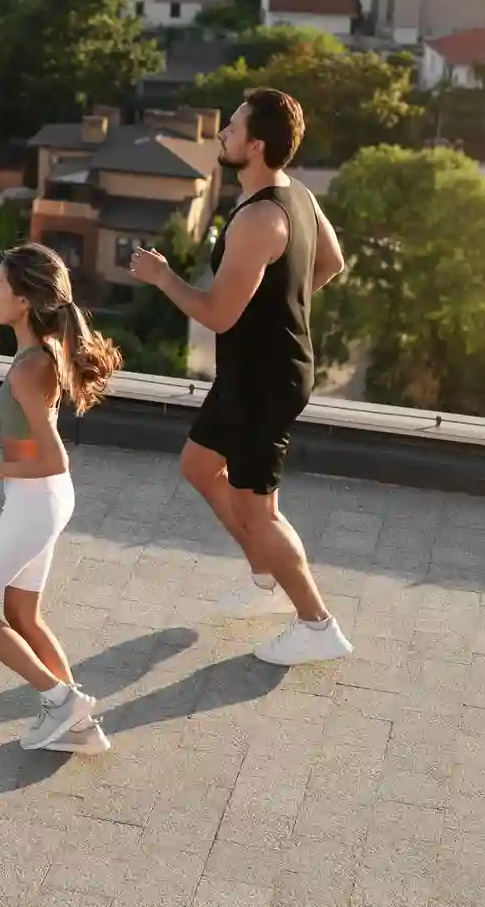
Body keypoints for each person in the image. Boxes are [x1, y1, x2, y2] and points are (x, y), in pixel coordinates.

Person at [129, 88, 353, 667]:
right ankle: (263, 576)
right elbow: (330, 262)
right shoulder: (294, 193)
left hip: (265, 381)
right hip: (254, 371)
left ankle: (317, 624)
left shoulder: (259, 219)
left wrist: (162, 276)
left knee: (260, 508)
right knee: (201, 466)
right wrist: (281, 308)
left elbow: (217, 314)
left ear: (255, 145)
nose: (223, 134)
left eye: (232, 128)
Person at [0, 243, 121, 752]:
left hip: (35, 500)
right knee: (22, 615)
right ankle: (79, 725)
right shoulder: (40, 355)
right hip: (43, 500)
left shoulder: (28, 365)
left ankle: (59, 700)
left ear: (22, 300)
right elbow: (26, 420)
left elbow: (55, 455)